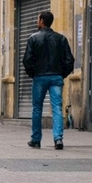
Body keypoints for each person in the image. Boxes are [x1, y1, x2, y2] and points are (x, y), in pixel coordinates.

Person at [23, 10, 74, 150]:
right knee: (57, 107)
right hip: (56, 76)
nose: (36, 21)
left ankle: (35, 139)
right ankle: (58, 139)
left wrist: (33, 73)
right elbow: (70, 60)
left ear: (41, 21)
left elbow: (27, 60)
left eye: (37, 19)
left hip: (39, 77)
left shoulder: (33, 38)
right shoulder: (61, 39)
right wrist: (61, 74)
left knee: (37, 108)